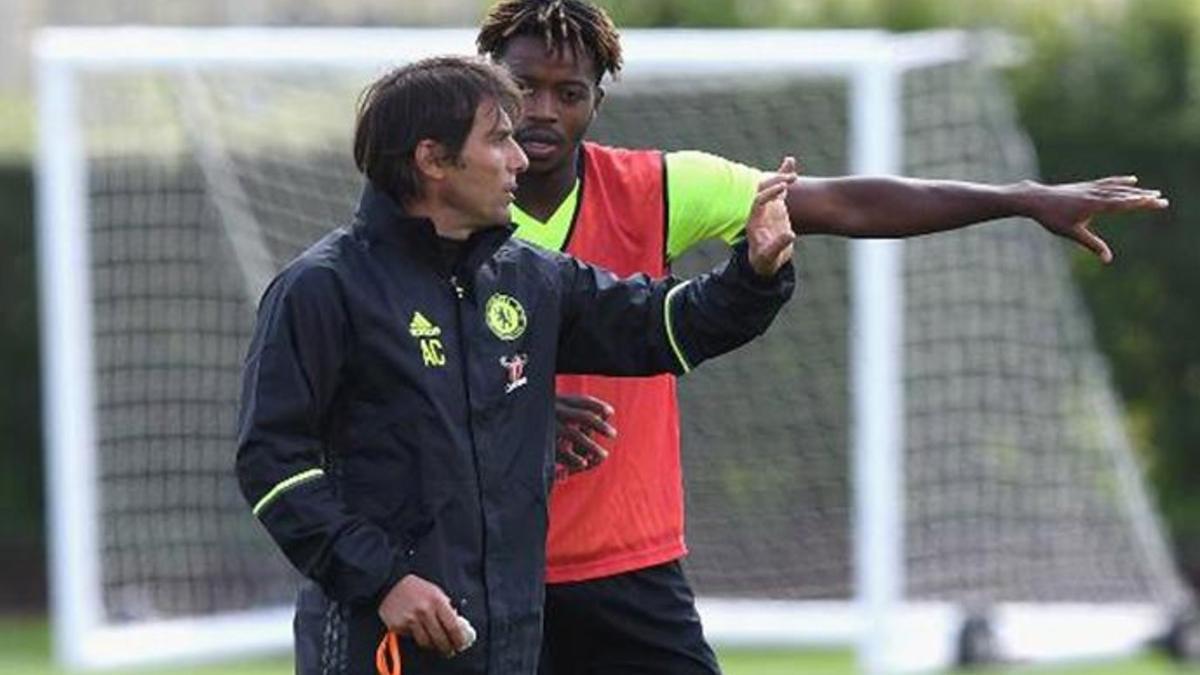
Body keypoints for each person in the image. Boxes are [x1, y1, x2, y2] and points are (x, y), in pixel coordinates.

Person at [474, 2, 1172, 674]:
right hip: (477, 561)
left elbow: (845, 201)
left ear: (596, 101)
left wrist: (1020, 199)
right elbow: (386, 365)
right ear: (487, 82)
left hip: (627, 562)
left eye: (567, 91)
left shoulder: (656, 188)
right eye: (522, 86)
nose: (540, 110)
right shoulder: (437, 202)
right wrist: (512, 406)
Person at [235, 55, 798, 675]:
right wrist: (383, 579)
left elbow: (660, 327)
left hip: (505, 643)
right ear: (433, 159)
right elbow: (272, 464)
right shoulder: (323, 288)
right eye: (499, 138)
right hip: (380, 643)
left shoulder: (529, 278)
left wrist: (754, 276)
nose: (520, 159)